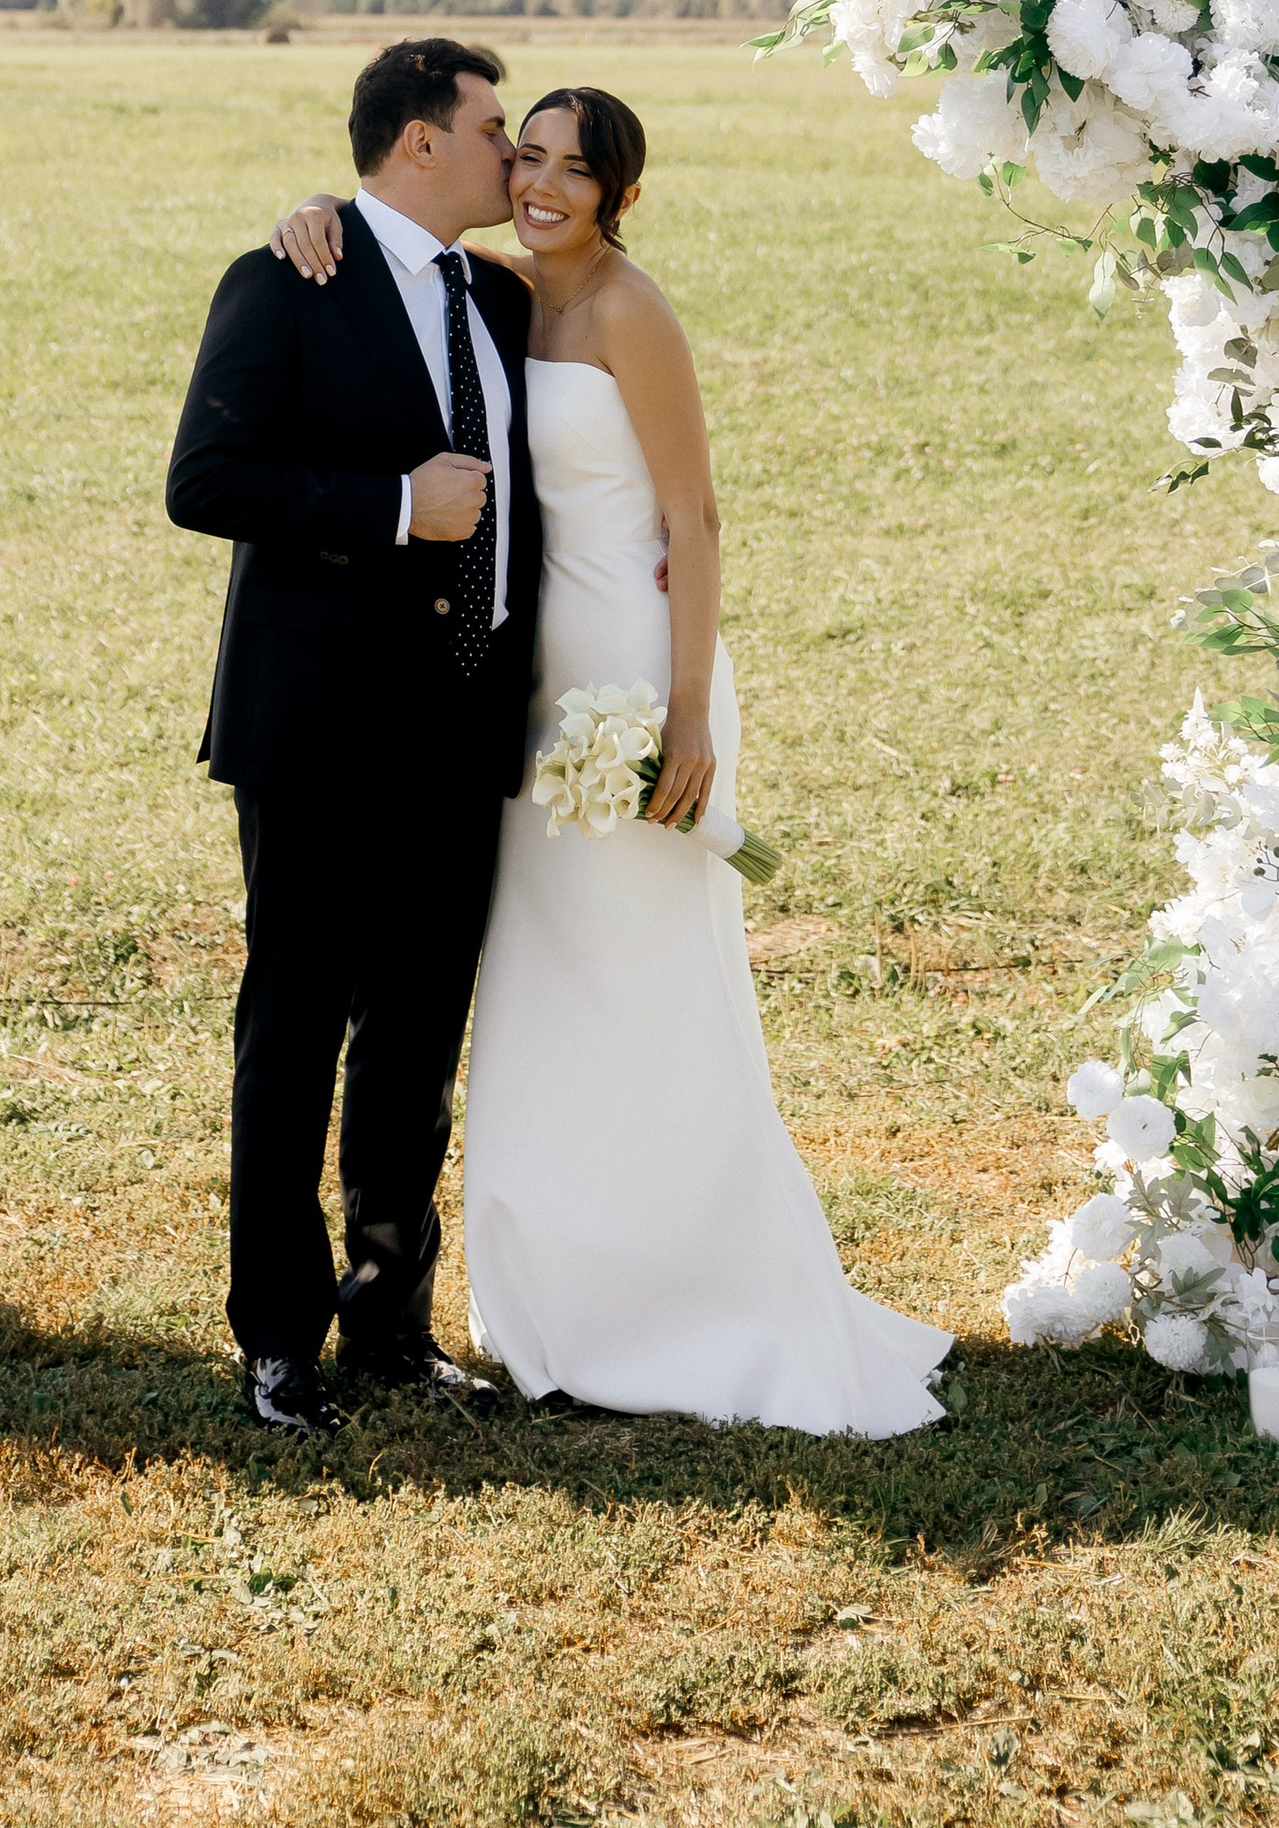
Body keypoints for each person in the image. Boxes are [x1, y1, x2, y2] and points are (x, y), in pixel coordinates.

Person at [265, 81, 949, 1436]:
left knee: (651, 986)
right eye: (525, 155)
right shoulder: (509, 292)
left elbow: (693, 516)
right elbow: (403, 262)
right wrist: (311, 214)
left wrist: (688, 715)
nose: (540, 183)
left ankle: (698, 1298)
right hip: (528, 692)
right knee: (543, 989)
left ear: (620, 191)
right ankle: (571, 1302)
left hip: (639, 675)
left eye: (573, 169)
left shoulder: (632, 312)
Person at [165, 37, 539, 1436]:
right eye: (495, 127)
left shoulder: (496, 299)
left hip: (465, 722)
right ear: (419, 141)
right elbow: (206, 479)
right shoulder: (287, 277)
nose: (511, 155)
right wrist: (392, 504)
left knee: (416, 1037)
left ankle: (391, 1318)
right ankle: (278, 1339)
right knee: (298, 1024)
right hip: (319, 723)